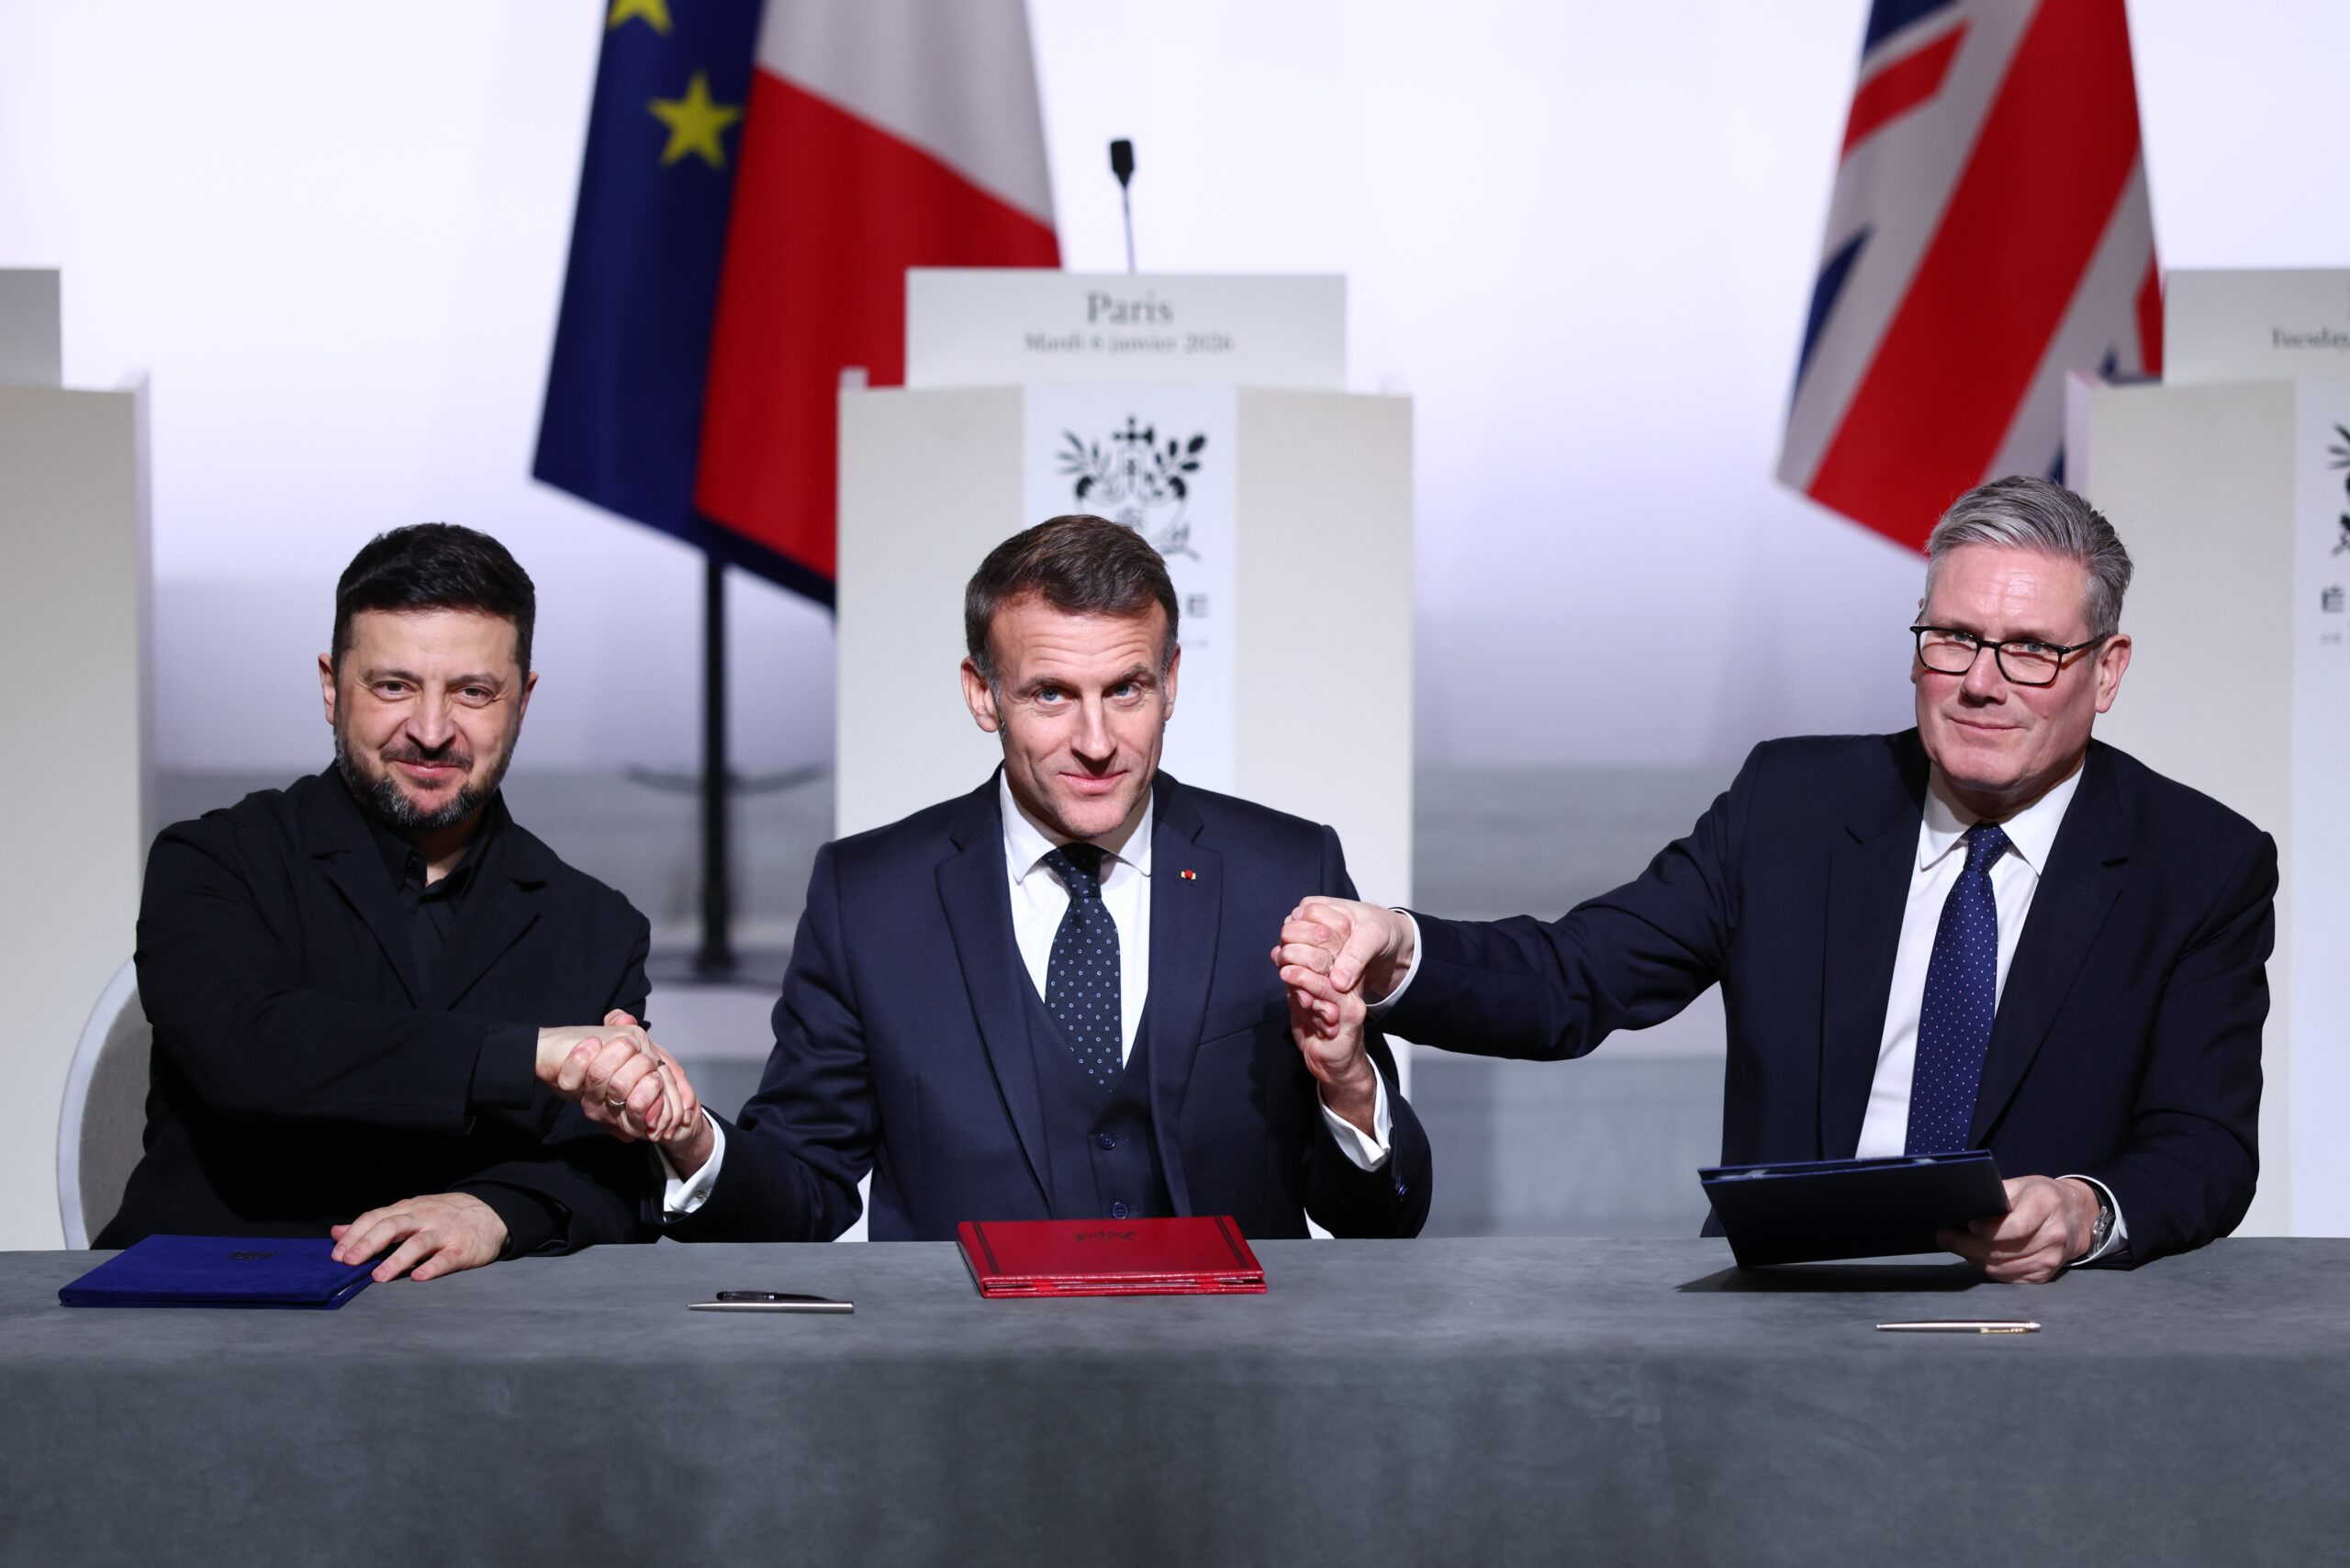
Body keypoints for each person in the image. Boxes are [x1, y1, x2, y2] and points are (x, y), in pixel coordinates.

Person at [1278, 476, 2271, 1280]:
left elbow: (2205, 1148)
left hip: (2039, 1326)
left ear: (2106, 671)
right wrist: (1400, 947)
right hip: (1791, 1317)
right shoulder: (1792, 805)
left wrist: (2084, 1210)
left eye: (2029, 652)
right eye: (1953, 638)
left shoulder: (2199, 865)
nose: (1980, 680)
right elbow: (1577, 977)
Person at [650, 514, 1430, 1240]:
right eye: (1051, 693)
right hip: (968, 1378)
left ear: (1171, 682)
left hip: (1230, 1375)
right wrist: (693, 1143)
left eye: (1126, 689)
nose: (1096, 741)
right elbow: (800, 1186)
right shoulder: (870, 897)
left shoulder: (1286, 873)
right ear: (982, 695)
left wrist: (1351, 1090)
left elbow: (1381, 1219)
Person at [99, 523, 697, 1282]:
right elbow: (251, 1051)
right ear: (329, 686)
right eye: (393, 686)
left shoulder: (599, 927)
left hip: (480, 1356)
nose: (431, 729)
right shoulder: (213, 861)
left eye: (473, 692)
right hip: (208, 1317)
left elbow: (618, 1179)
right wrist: (523, 1057)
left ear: (523, 701)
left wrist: (496, 1213)